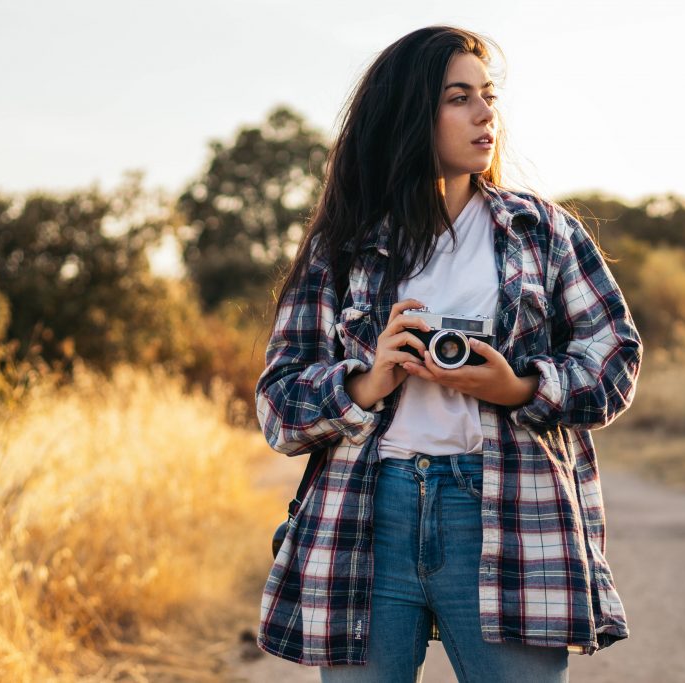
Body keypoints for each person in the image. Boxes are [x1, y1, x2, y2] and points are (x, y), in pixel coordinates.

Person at [254, 25, 643, 683]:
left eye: (488, 96)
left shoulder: (540, 231)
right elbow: (278, 404)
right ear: (411, 114)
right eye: (458, 97)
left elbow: (615, 360)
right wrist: (367, 381)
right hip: (368, 513)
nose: (486, 113)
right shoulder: (342, 247)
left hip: (506, 508)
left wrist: (518, 387)